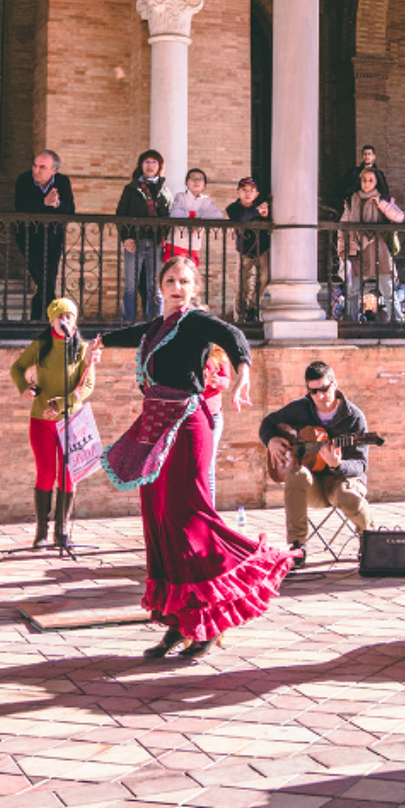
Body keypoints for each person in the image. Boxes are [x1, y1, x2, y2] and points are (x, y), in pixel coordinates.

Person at [99, 257, 292, 660]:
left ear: (195, 287)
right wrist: (97, 341)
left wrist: (243, 374)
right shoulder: (157, 327)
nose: (177, 286)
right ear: (159, 286)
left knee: (188, 515)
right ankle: (177, 623)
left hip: (187, 424)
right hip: (155, 425)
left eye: (184, 281)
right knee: (158, 518)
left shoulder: (194, 321)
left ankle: (210, 621)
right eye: (170, 280)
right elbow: (130, 334)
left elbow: (234, 335)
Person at [10, 299, 101, 550]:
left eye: (70, 316)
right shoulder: (41, 345)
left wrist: (62, 404)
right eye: (61, 316)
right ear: (52, 320)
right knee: (46, 474)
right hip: (41, 419)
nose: (66, 321)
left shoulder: (83, 349)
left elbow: (87, 386)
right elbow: (17, 368)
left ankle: (61, 531)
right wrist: (24, 387)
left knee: (68, 475)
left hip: (71, 421)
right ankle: (41, 531)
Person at [259, 361, 373, 561]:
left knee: (348, 497)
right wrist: (271, 440)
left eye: (324, 389)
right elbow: (268, 422)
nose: (319, 396)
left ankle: (370, 538)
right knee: (296, 473)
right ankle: (298, 546)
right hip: (313, 484)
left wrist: (337, 464)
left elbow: (361, 465)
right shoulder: (301, 408)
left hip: (342, 481)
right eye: (313, 392)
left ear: (335, 384)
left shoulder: (354, 417)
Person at [337, 168, 405, 322]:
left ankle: (398, 322)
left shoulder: (384, 199)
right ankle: (352, 322)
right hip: (357, 251)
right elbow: (343, 228)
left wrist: (381, 203)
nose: (366, 184)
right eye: (364, 180)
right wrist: (342, 250)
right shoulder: (351, 200)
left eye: (370, 180)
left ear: (376, 182)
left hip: (379, 251)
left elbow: (399, 217)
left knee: (387, 290)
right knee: (353, 291)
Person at [14, 150, 77, 316]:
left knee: (47, 280)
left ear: (54, 170)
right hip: (28, 237)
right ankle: (47, 318)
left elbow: (70, 209)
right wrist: (43, 202)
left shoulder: (62, 182)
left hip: (53, 237)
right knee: (44, 279)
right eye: (35, 165)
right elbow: (20, 206)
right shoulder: (24, 180)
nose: (36, 170)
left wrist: (57, 204)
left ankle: (39, 318)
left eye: (42, 167)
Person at [117, 150, 171, 322]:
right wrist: (126, 238)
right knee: (130, 286)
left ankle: (154, 325)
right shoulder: (131, 189)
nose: (150, 165)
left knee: (155, 287)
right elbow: (121, 215)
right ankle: (128, 324)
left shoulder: (164, 190)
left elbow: (169, 217)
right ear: (141, 165)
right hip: (135, 241)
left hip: (156, 243)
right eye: (146, 161)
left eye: (154, 162)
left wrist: (165, 237)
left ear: (160, 167)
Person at [226, 177, 271, 320]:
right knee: (242, 285)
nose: (248, 193)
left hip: (263, 249)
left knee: (264, 278)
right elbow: (240, 218)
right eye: (244, 190)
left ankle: (253, 308)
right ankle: (240, 315)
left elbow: (271, 220)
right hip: (244, 251)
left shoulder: (262, 207)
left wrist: (265, 214)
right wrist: (257, 211)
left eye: (251, 190)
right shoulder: (233, 208)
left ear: (257, 194)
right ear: (238, 192)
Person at [165, 168, 228, 265]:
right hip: (175, 243)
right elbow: (175, 214)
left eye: (200, 179)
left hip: (193, 246)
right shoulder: (181, 196)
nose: (196, 181)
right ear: (186, 182)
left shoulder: (206, 201)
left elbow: (218, 215)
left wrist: (198, 220)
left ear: (204, 184)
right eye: (193, 178)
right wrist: (194, 218)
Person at [335, 145, 379, 209]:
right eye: (364, 154)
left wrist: (379, 199)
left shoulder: (379, 174)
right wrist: (346, 200)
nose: (367, 156)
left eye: (369, 154)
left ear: (374, 157)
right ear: (362, 156)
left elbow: (385, 192)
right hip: (356, 204)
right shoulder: (353, 172)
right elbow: (340, 187)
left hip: (373, 205)